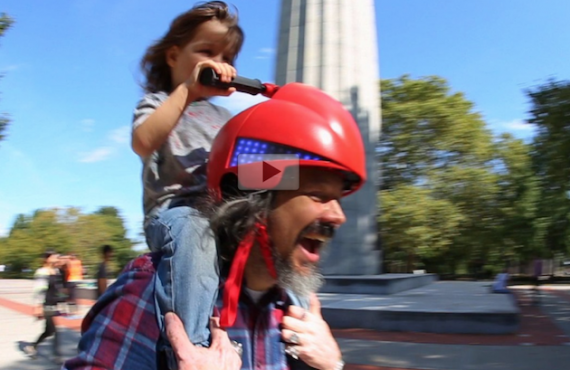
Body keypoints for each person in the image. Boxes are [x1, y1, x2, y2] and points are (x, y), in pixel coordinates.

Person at [64, 78, 365, 370]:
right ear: (255, 199)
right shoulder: (152, 293)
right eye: (318, 195)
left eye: (338, 199)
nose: (338, 216)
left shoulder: (298, 317)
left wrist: (332, 365)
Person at [130, 2, 242, 366]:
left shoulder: (227, 117)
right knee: (195, 228)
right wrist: (188, 90)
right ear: (174, 55)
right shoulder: (159, 103)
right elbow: (142, 142)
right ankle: (188, 350)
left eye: (226, 56)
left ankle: (303, 324)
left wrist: (292, 174)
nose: (219, 62)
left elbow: (241, 173)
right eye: (207, 52)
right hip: (175, 215)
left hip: (221, 212)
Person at [24, 251, 65, 364]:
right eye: (54, 257)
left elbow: (58, 288)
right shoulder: (41, 272)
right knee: (54, 330)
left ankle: (32, 347)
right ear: (47, 259)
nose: (57, 259)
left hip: (53, 303)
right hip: (45, 304)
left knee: (49, 330)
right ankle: (57, 356)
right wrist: (38, 306)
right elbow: (38, 290)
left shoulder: (56, 271)